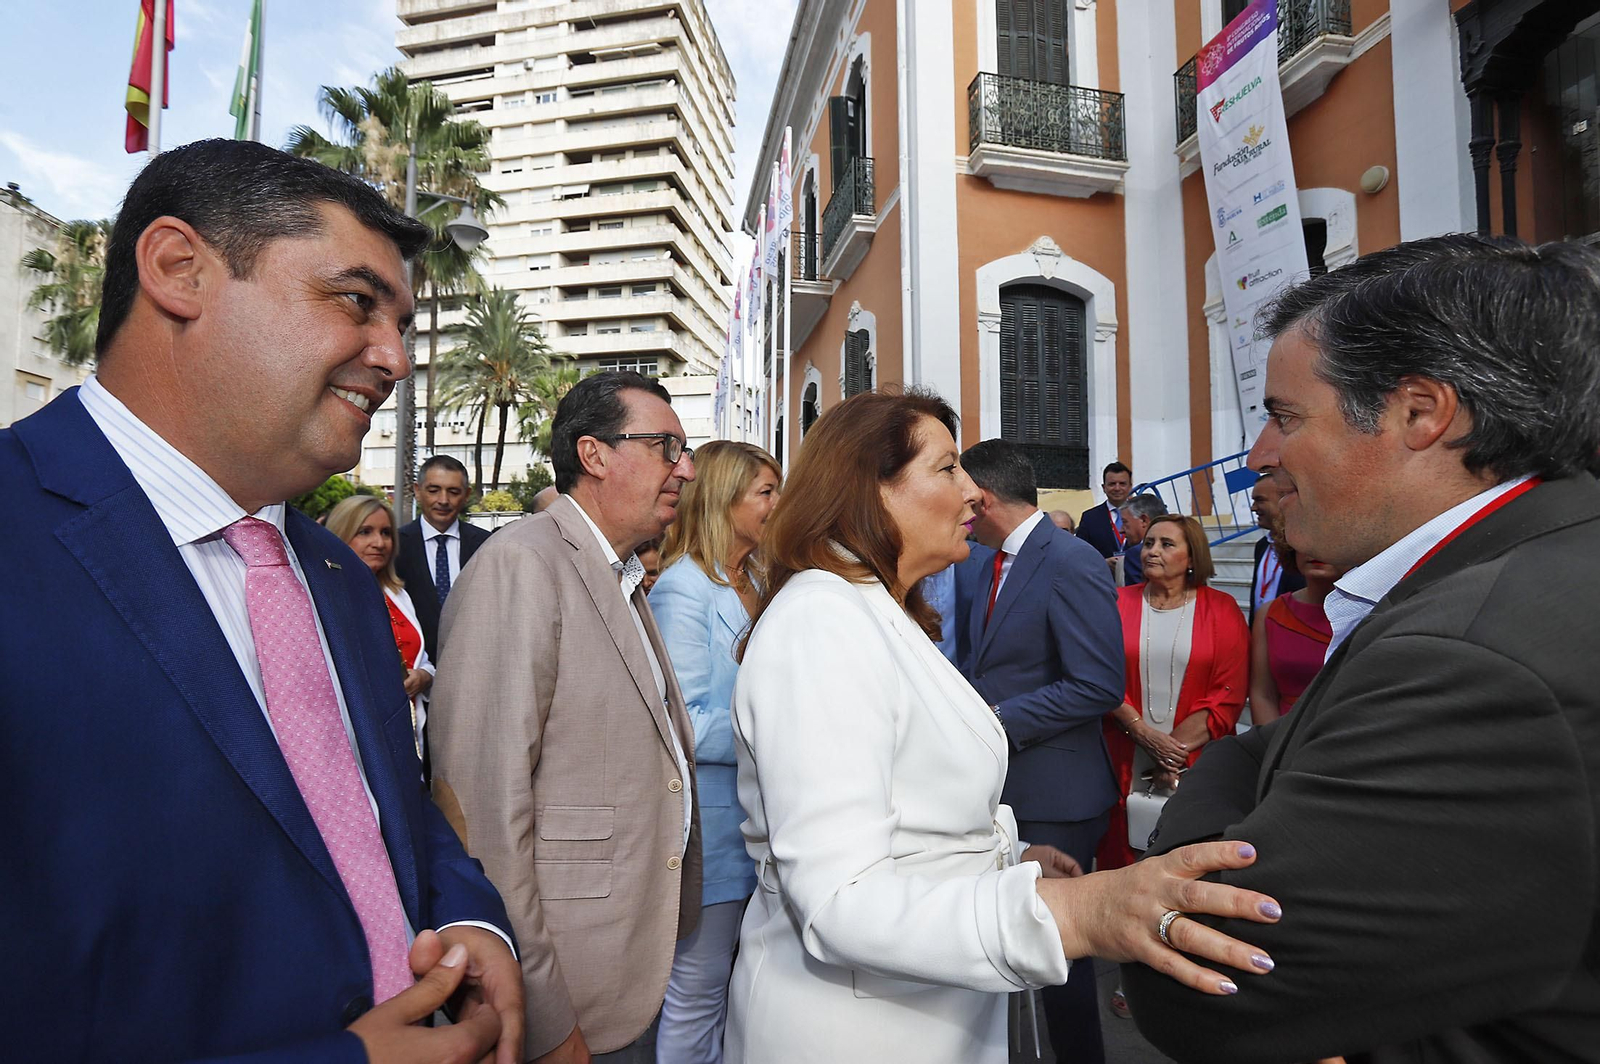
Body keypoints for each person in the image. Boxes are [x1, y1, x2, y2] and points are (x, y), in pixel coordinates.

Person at [0, 139, 521, 1062]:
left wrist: (478, 925)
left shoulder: (337, 580)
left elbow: (386, 806)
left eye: (401, 322)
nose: (396, 358)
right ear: (178, 269)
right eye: (357, 302)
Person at [1123, 235, 1600, 1063]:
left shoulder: (1472, 658)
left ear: (1421, 413)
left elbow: (1195, 977)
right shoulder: (1535, 565)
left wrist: (1185, 832)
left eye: (1284, 416)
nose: (1260, 458)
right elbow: (1279, 740)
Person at [726, 390, 1284, 1064]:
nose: (973, 495)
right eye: (947, 469)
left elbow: (905, 816)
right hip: (857, 1032)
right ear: (871, 491)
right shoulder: (822, 620)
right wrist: (1082, 911)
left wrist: (1005, 863)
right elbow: (841, 900)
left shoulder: (873, 611)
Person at [430, 370, 703, 1064]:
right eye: (668, 446)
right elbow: (484, 811)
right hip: (560, 994)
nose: (688, 468)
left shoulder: (620, 575)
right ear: (595, 454)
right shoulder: (522, 564)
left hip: (625, 967)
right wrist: (545, 1018)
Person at [954, 437, 1125, 1064]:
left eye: (962, 493)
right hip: (1003, 789)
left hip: (1058, 792)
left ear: (987, 497)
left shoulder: (1071, 560)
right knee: (1005, 950)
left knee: (1059, 962)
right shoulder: (984, 562)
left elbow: (1099, 683)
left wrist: (995, 719)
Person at [650, 440, 782, 1063]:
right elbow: (683, 724)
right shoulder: (683, 590)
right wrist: (781, 739)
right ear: (725, 499)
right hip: (714, 828)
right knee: (697, 990)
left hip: (761, 821)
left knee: (740, 988)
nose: (778, 505)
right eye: (766, 492)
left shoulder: (757, 578)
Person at [1100, 515, 1249, 872]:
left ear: (1192, 557)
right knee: (1122, 860)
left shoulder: (1222, 608)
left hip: (1194, 761)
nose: (1152, 551)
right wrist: (1141, 733)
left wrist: (1169, 756)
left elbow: (1228, 692)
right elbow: (1099, 675)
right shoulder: (1116, 602)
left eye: (1167, 544)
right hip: (1122, 749)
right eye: (1149, 543)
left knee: (1186, 860)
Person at [327, 495, 435, 757]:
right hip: (352, 740)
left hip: (408, 735)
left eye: (386, 533)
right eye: (365, 532)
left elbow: (422, 659)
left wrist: (424, 677)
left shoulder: (397, 593)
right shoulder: (324, 596)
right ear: (340, 535)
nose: (379, 543)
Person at [395, 454, 493, 664]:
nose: (443, 500)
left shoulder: (487, 546)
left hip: (473, 669)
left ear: (466, 495)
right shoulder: (394, 547)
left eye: (453, 492)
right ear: (417, 491)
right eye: (433, 490)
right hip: (414, 678)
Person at [1247, 539, 1342, 724]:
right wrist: (1273, 747)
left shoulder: (1375, 611)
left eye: (1330, 536)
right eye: (1306, 536)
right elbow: (1262, 694)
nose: (1315, 548)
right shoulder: (1269, 615)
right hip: (1284, 739)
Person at [1246, 475, 1304, 624]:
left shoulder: (1303, 547)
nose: (1253, 507)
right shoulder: (1262, 546)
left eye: (1260, 500)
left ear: (1283, 501)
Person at [1077, 461, 1135, 558]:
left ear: (1130, 487)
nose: (1117, 488)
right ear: (1104, 488)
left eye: (1122, 484)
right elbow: (1081, 552)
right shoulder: (1090, 518)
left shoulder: (1140, 515)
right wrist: (1104, 563)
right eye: (1112, 484)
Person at [1117, 493, 1169, 586]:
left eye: (1125, 522)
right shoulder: (1182, 544)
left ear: (1144, 520)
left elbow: (1138, 596)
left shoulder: (1136, 554)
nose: (1121, 530)